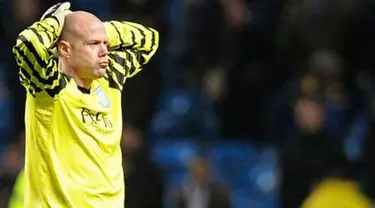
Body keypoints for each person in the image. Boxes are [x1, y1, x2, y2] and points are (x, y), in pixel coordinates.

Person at [12, 2, 159, 207]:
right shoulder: (49, 87)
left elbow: (149, 39)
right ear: (65, 49)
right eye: (93, 44)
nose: (104, 52)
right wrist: (56, 22)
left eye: (105, 43)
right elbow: (28, 43)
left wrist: (98, 29)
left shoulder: (110, 78)